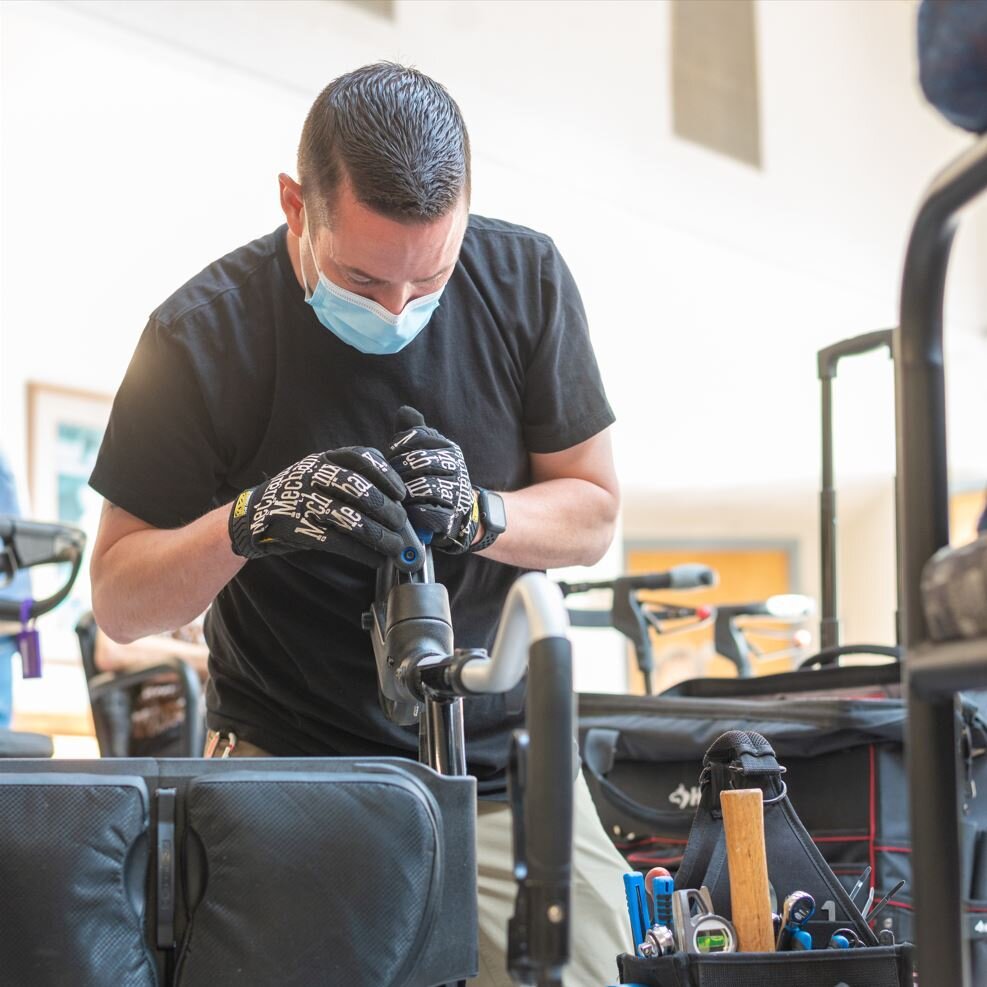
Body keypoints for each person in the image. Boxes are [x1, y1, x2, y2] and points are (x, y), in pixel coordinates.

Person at [89, 62, 630, 984]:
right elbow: (120, 598)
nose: (398, 309)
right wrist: (249, 521)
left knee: (598, 964)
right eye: (364, 277)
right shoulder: (198, 336)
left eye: (432, 277)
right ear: (296, 206)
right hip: (292, 768)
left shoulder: (524, 276)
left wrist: (480, 513)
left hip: (504, 769)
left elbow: (591, 513)